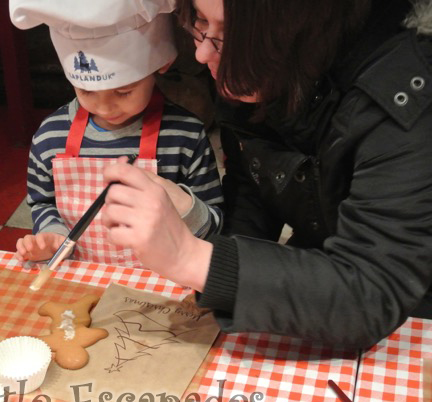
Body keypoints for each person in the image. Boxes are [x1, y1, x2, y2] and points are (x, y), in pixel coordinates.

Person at [101, 0, 432, 348]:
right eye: (200, 22)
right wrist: (217, 273)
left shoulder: (407, 97)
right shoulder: (250, 67)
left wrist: (191, 258)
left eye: (230, 34)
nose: (201, 53)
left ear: (299, 29)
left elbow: (372, 293)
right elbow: (253, 181)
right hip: (322, 287)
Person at [9, 0, 224, 267]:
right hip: (81, 274)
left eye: (124, 92)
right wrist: (53, 237)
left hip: (162, 281)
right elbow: (43, 203)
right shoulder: (50, 137)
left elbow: (214, 224)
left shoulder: (185, 136)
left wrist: (182, 206)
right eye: (86, 91)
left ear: (160, 65)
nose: (105, 106)